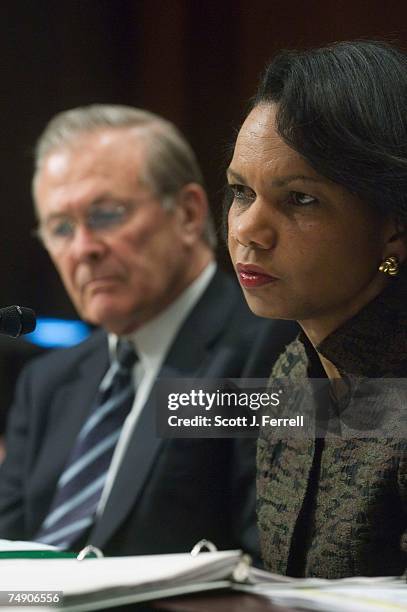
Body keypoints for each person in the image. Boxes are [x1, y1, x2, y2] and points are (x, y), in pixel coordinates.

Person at [0, 105, 297, 556]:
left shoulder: (271, 345)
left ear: (187, 213)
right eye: (61, 228)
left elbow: (270, 560)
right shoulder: (46, 384)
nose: (83, 249)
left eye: (105, 215)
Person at [227, 41, 407, 578]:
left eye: (299, 199)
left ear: (393, 225)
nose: (247, 231)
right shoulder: (291, 371)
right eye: (240, 191)